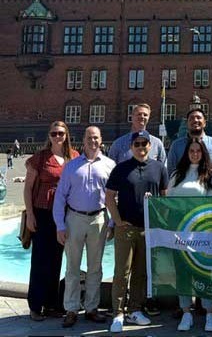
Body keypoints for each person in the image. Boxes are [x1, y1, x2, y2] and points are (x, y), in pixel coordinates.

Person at [105, 130, 169, 333]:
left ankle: (134, 309)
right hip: (127, 228)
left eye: (144, 144)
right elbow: (109, 197)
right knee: (122, 272)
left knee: (140, 273)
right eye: (137, 144)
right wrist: (117, 221)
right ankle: (118, 312)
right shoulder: (121, 168)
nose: (141, 147)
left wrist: (160, 218)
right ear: (131, 147)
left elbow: (165, 198)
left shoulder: (159, 168)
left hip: (147, 229)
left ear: (150, 146)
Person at [52, 126, 115, 328]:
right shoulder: (71, 166)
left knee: (95, 267)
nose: (93, 141)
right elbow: (60, 197)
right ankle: (71, 309)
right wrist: (60, 225)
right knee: (72, 267)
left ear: (101, 139)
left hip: (98, 219)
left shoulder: (109, 165)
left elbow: (114, 197)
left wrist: (112, 222)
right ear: (84, 139)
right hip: (75, 219)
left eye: (96, 137)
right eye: (89, 138)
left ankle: (91, 308)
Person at [23, 121, 79, 321]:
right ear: (49, 136)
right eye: (54, 133)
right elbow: (28, 188)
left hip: (65, 215)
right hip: (43, 213)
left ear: (66, 135)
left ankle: (51, 304)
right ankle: (35, 306)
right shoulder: (40, 158)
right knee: (40, 260)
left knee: (56, 260)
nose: (57, 137)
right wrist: (30, 214)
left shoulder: (74, 157)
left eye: (61, 133)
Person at [167, 138, 212, 333]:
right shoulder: (176, 175)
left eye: (198, 150)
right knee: (183, 273)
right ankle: (186, 312)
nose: (195, 153)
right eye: (191, 151)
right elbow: (168, 201)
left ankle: (209, 312)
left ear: (203, 153)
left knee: (204, 272)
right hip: (179, 233)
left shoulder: (210, 175)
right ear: (187, 154)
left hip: (201, 233)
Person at [167, 108, 212, 175]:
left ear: (205, 123)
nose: (195, 120)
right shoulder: (176, 145)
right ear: (187, 123)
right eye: (191, 118)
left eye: (199, 118)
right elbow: (171, 171)